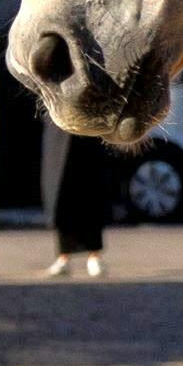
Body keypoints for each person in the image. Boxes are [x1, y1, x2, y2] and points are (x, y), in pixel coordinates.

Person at [48, 117, 124, 279]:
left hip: (90, 119)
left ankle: (94, 255)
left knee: (92, 188)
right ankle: (63, 256)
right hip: (58, 119)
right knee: (60, 191)